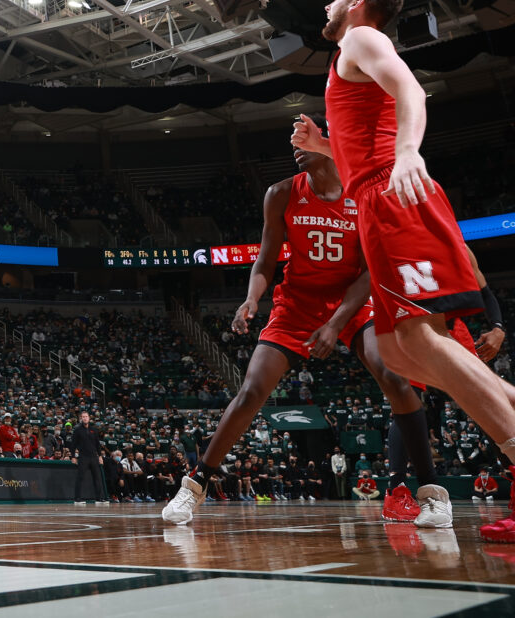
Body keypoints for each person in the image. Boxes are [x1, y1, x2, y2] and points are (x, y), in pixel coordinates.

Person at [291, 0, 515, 542]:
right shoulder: (350, 55)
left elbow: (410, 92)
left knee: (415, 341)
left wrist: (409, 152)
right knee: (401, 353)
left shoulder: (361, 39)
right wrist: (328, 146)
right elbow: (369, 132)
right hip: (376, 201)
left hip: (393, 199)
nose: (329, 1)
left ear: (357, 3)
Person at [163, 126, 448, 526]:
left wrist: (334, 324)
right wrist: (251, 298)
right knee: (250, 391)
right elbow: (264, 260)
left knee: (395, 377)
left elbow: (367, 273)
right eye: (292, 144)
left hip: (351, 302)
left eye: (305, 142)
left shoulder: (362, 193)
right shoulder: (281, 193)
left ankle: (432, 494)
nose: (296, 149)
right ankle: (195, 486)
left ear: (333, 147)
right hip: (296, 306)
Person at [71, 411, 105, 505]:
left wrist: (100, 456)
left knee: (97, 478)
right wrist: (73, 456)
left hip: (94, 456)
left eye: (86, 416)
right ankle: (77, 498)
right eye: (83, 417)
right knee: (80, 478)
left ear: (89, 418)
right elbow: (73, 444)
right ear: (81, 418)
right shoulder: (77, 430)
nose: (85, 418)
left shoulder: (94, 429)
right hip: (83, 456)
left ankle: (99, 498)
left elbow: (97, 444)